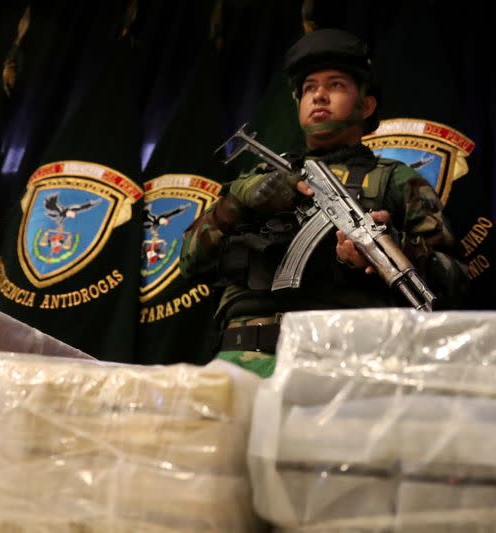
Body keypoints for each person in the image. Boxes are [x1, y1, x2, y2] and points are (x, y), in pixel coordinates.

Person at [179, 28, 470, 378]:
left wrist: (394, 246)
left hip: (343, 366)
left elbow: (455, 286)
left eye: (335, 85)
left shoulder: (397, 180)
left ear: (366, 105)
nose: (319, 96)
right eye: (309, 88)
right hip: (242, 360)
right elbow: (189, 261)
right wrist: (238, 204)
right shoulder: (257, 178)